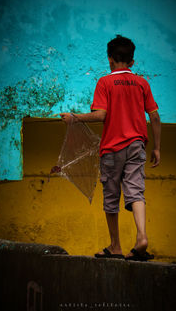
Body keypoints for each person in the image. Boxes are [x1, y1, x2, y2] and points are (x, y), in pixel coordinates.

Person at [60, 35, 161, 261]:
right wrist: (157, 148)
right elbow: (154, 116)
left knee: (111, 197)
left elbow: (101, 115)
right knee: (136, 191)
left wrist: (75, 118)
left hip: (112, 149)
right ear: (132, 62)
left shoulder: (104, 82)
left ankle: (115, 246)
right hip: (137, 145)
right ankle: (142, 237)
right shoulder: (143, 82)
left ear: (110, 60)